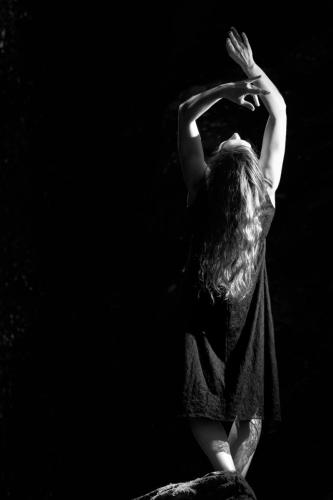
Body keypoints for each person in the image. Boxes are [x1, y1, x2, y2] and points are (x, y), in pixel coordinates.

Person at [176, 27, 287, 477]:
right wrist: (251, 71)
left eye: (230, 140)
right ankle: (235, 482)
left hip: (202, 307)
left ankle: (226, 477)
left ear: (219, 165)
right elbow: (278, 111)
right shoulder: (264, 199)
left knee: (201, 400)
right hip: (247, 312)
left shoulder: (200, 191)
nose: (237, 132)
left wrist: (225, 91)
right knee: (249, 404)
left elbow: (186, 116)